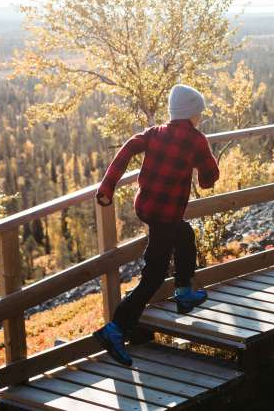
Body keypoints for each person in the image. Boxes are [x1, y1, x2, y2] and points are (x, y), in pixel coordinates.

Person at [91, 84, 219, 366]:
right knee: (154, 274)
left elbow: (125, 152)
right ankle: (115, 329)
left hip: (147, 208)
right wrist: (205, 174)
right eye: (199, 113)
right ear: (191, 114)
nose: (200, 117)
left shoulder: (155, 133)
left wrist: (107, 187)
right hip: (166, 215)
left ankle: (184, 292)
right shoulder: (196, 140)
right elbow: (209, 179)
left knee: (185, 235)